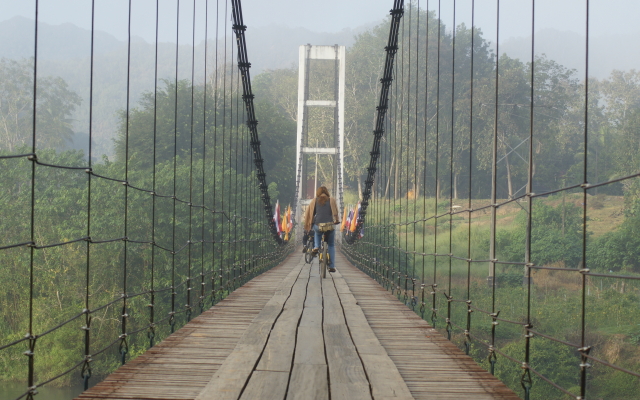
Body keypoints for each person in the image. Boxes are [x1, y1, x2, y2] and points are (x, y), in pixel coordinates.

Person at [304, 186, 339, 272]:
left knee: (317, 232)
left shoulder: (315, 201)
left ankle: (316, 247)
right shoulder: (332, 200)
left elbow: (310, 213)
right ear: (327, 192)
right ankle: (332, 266)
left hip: (318, 225)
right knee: (331, 245)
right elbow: (336, 212)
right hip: (330, 225)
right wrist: (336, 220)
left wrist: (310, 224)